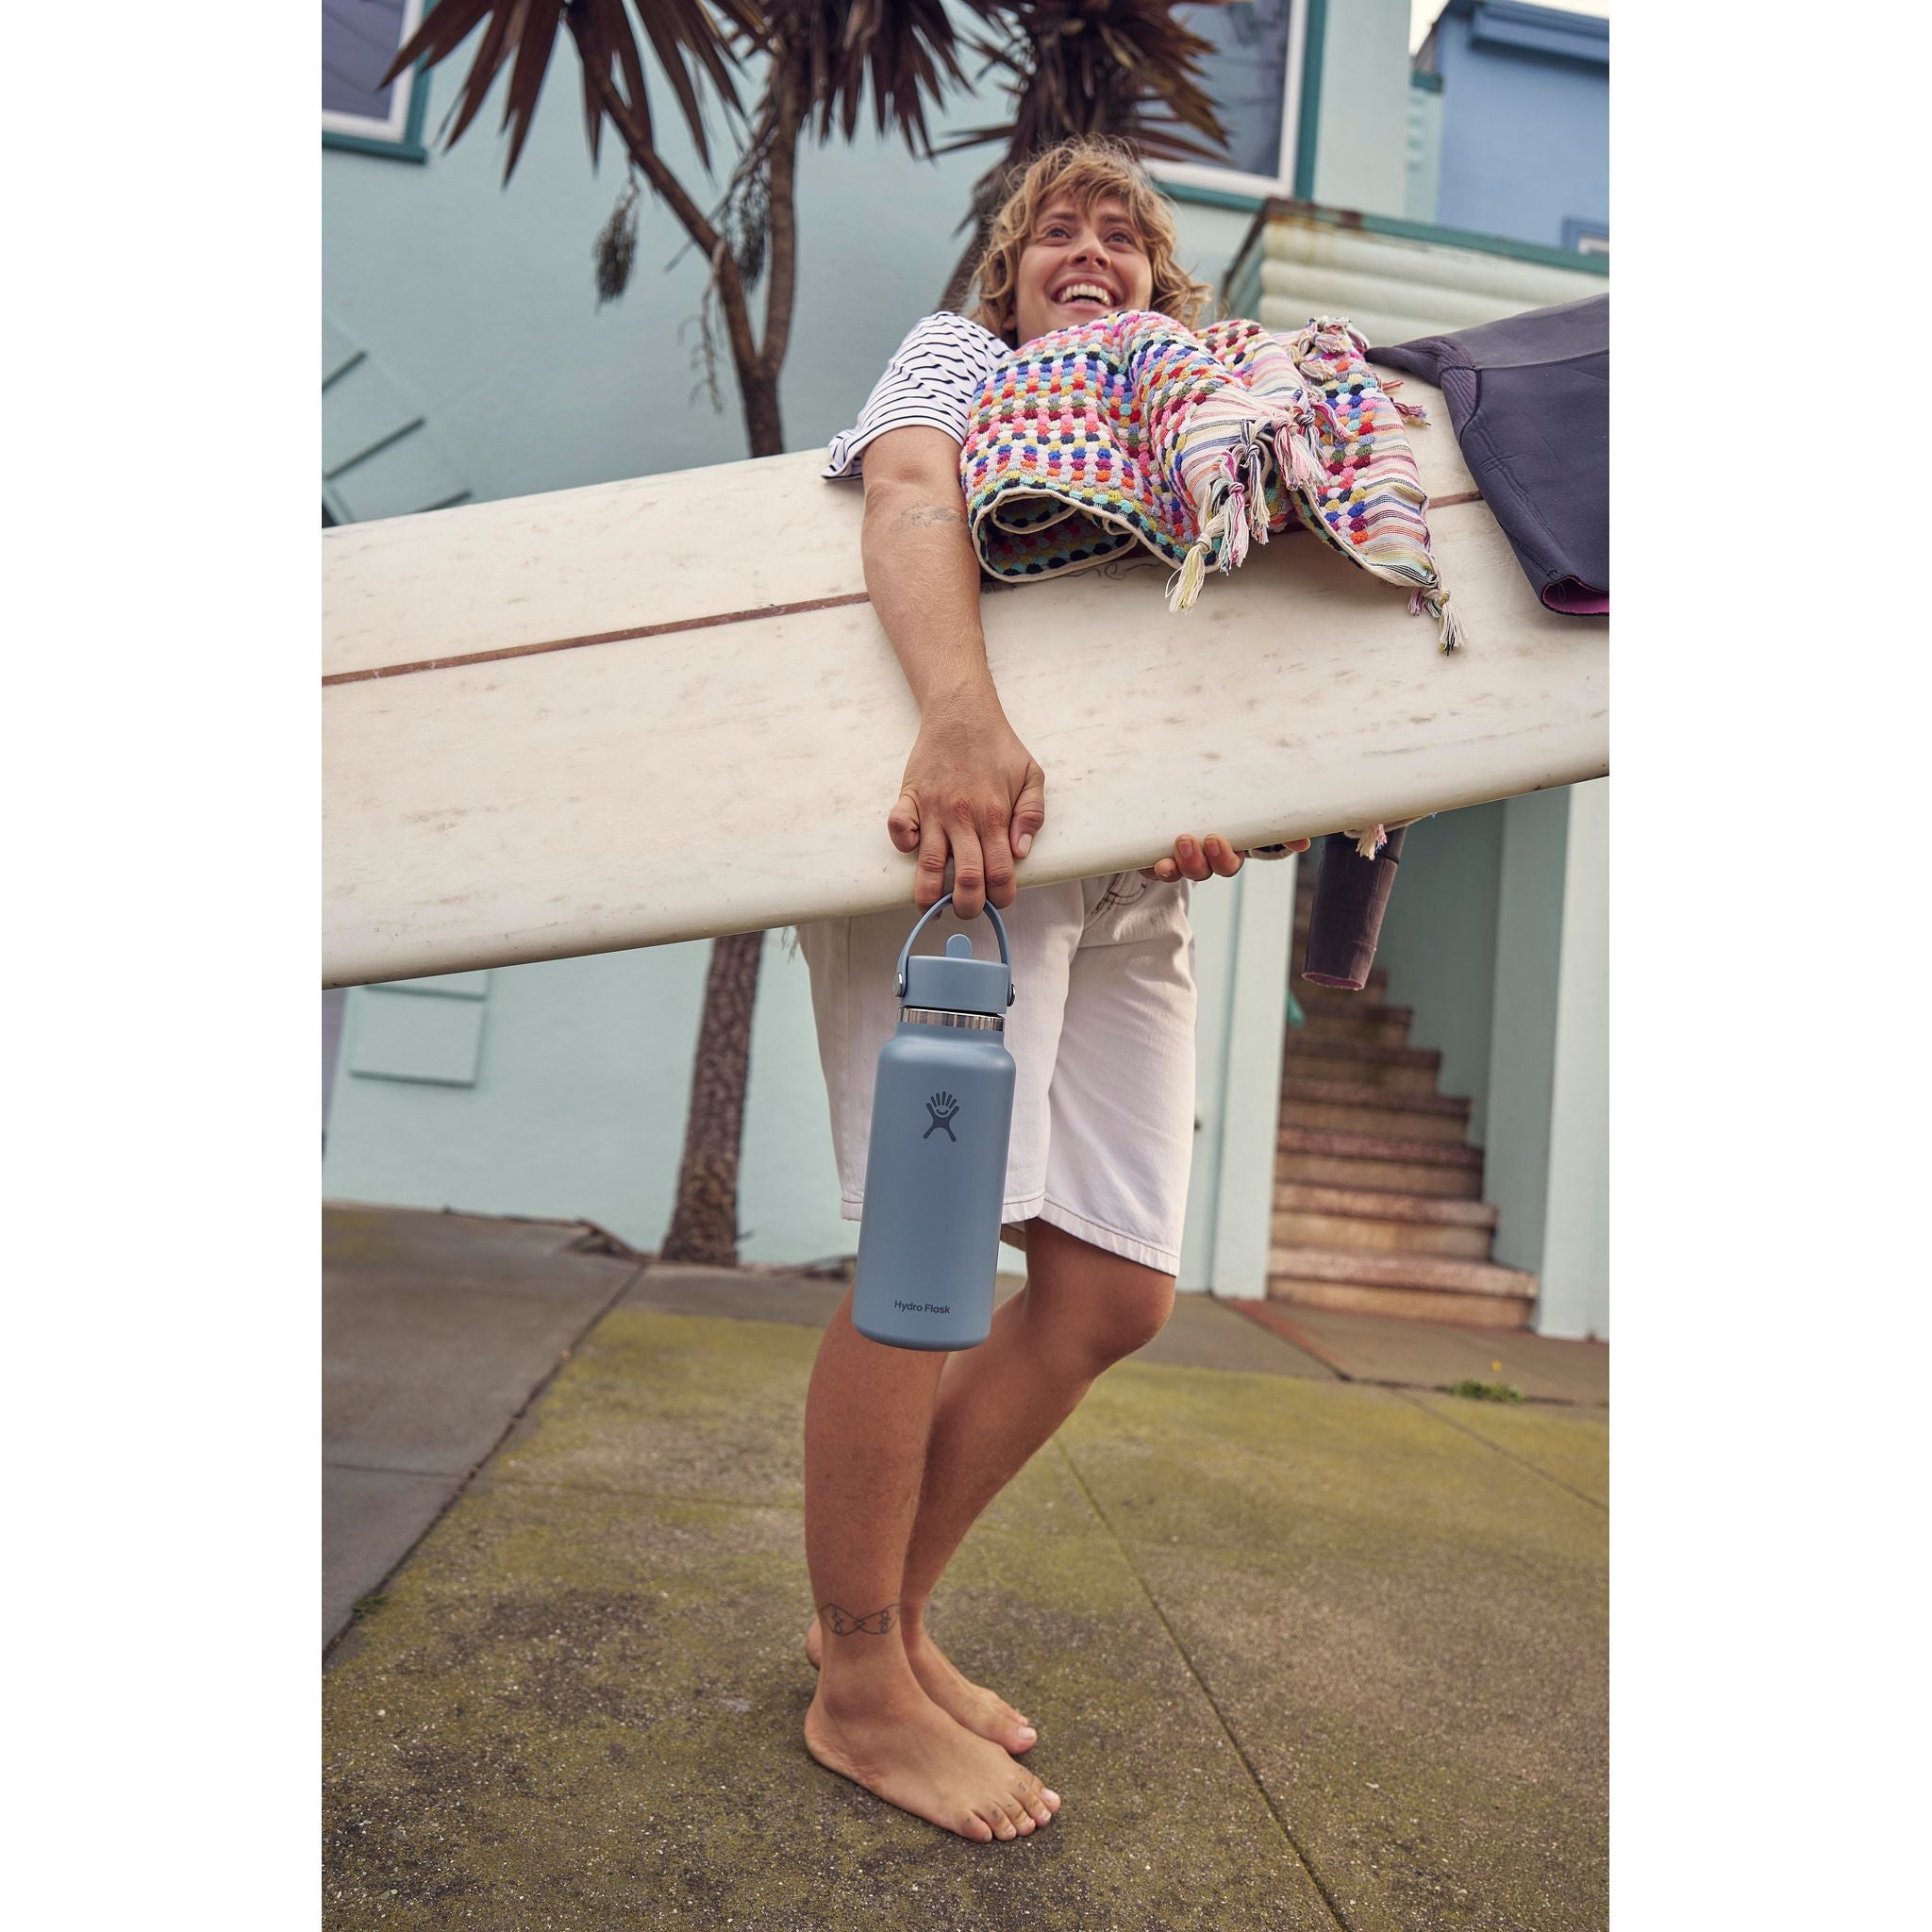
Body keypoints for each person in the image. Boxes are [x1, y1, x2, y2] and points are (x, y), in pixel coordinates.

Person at [791, 137, 1308, 1844]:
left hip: (1134, 872)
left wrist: (1234, 798)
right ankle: (859, 1687)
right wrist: (957, 716)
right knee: (928, 1260)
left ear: (1163, 279)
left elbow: (1221, 653)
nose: (1086, 251)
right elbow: (909, 493)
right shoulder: (959, 360)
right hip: (977, 833)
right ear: (1008, 280)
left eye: (1120, 235)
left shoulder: (1205, 411)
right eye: (1053, 235)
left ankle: (886, 1621)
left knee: (1111, 1289)